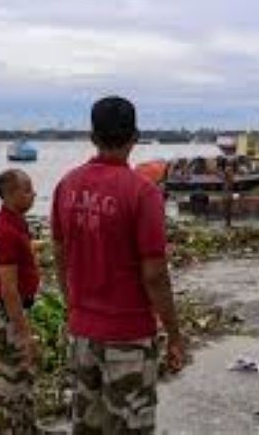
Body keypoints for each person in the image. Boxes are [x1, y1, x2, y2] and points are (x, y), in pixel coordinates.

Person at [51, 96, 185, 434]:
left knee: (88, 426)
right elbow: (154, 274)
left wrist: (73, 307)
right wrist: (175, 334)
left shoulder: (66, 186)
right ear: (134, 136)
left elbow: (60, 256)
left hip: (82, 333)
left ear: (92, 137)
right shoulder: (143, 192)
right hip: (129, 335)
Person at [0, 169, 41, 433]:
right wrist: (24, 331)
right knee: (11, 384)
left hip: (14, 311)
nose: (34, 194)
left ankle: (29, 429)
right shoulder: (6, 231)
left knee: (24, 376)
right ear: (11, 194)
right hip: (7, 315)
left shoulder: (15, 221)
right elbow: (8, 289)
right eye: (28, 189)